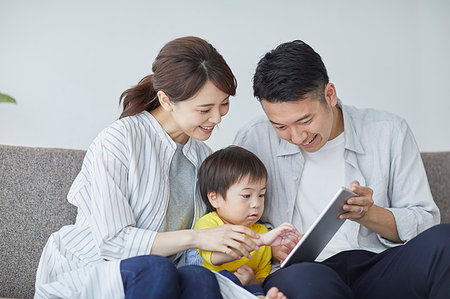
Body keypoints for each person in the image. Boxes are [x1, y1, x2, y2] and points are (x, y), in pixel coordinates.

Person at [34, 36, 262, 299]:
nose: (218, 117)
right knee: (157, 269)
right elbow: (113, 242)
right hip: (95, 269)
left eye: (224, 104)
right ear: (166, 100)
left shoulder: (202, 156)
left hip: (165, 276)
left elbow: (207, 241)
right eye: (205, 109)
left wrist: (262, 242)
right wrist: (196, 238)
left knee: (199, 276)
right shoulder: (119, 141)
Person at [234, 40, 450, 299]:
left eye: (306, 120)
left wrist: (370, 214)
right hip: (302, 271)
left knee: (445, 241)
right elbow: (227, 217)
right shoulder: (253, 139)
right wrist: (271, 244)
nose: (297, 136)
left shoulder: (389, 131)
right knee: (304, 281)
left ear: (330, 95)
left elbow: (426, 225)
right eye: (280, 126)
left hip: (378, 264)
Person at [194, 146, 300, 299]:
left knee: (256, 289)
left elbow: (262, 278)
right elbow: (215, 258)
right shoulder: (209, 224)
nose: (256, 204)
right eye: (246, 195)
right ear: (214, 198)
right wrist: (260, 241)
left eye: (261, 195)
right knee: (222, 278)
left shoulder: (262, 232)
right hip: (213, 287)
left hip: (246, 292)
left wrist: (252, 280)